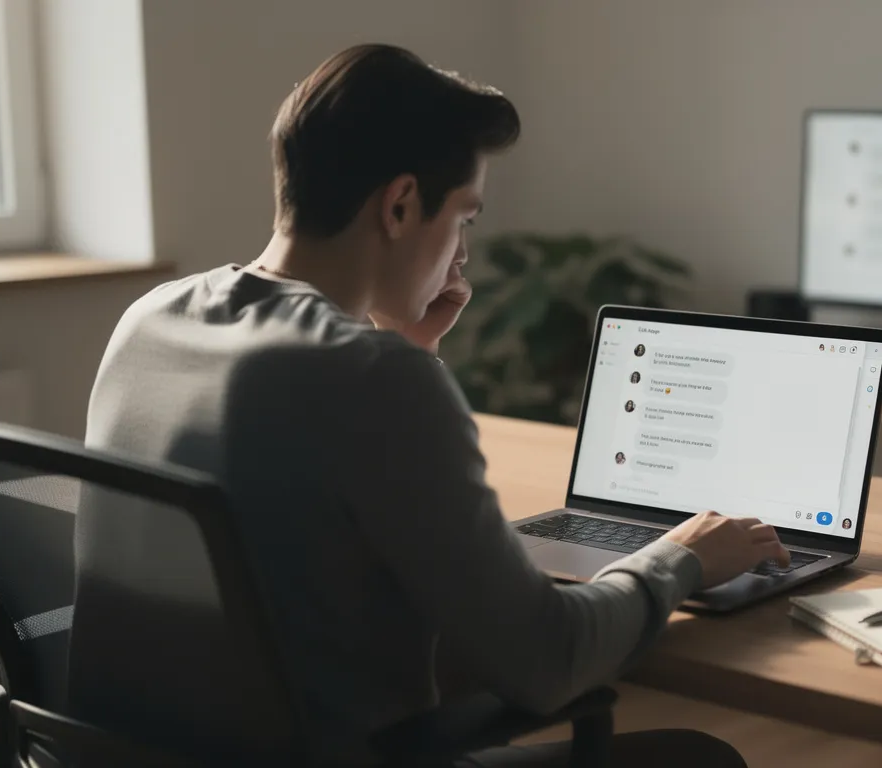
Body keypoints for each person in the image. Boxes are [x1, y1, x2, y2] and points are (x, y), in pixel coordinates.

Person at [84, 44, 775, 767]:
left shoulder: (151, 317)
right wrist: (679, 557)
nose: (462, 255)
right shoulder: (373, 379)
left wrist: (406, 348)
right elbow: (550, 659)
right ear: (402, 204)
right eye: (466, 218)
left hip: (146, 749)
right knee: (701, 758)